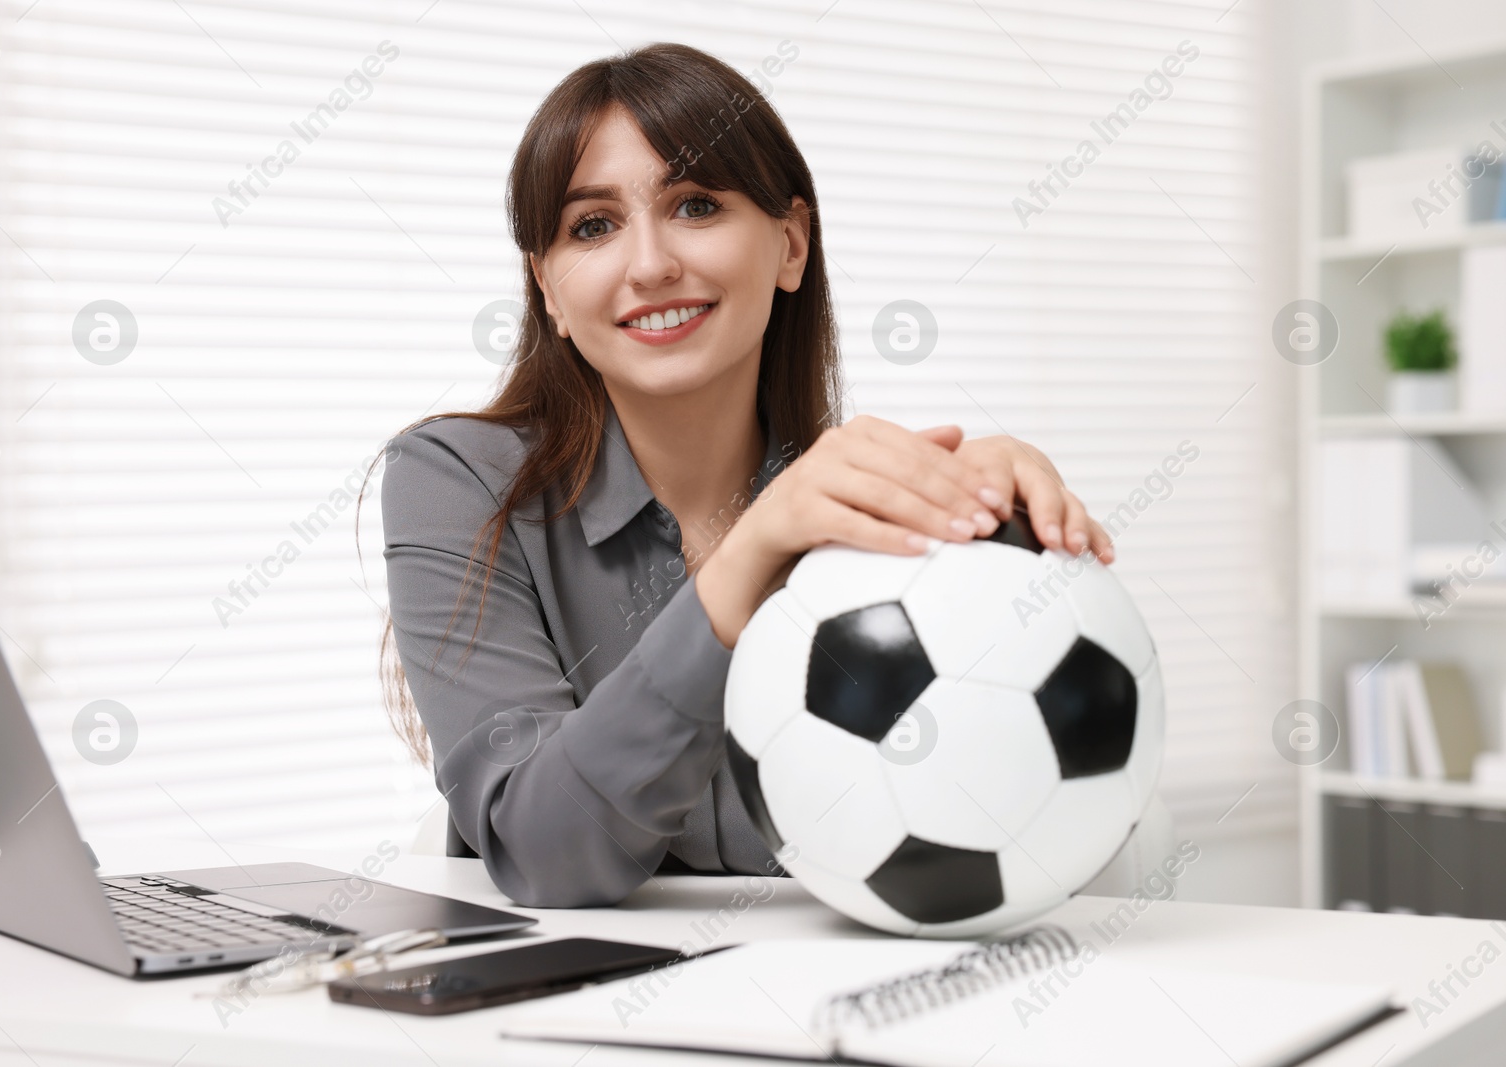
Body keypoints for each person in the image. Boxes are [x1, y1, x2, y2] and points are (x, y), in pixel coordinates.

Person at [378, 43, 1114, 908]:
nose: (649, 264)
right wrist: (751, 553)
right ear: (548, 289)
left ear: (791, 244)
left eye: (695, 205)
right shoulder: (454, 481)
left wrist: (998, 541)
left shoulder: (870, 538)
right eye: (593, 225)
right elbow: (546, 851)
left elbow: (1001, 815)